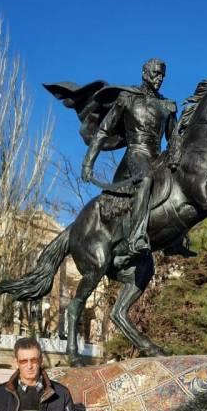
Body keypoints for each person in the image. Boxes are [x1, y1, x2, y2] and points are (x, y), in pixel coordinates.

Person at [81, 58, 180, 264]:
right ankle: (136, 237)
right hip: (135, 154)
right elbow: (103, 131)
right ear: (144, 74)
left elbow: (174, 138)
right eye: (155, 73)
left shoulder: (167, 106)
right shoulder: (127, 98)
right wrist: (88, 163)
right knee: (145, 179)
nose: (159, 78)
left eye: (162, 75)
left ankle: (176, 239)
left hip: (157, 156)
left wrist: (176, 156)